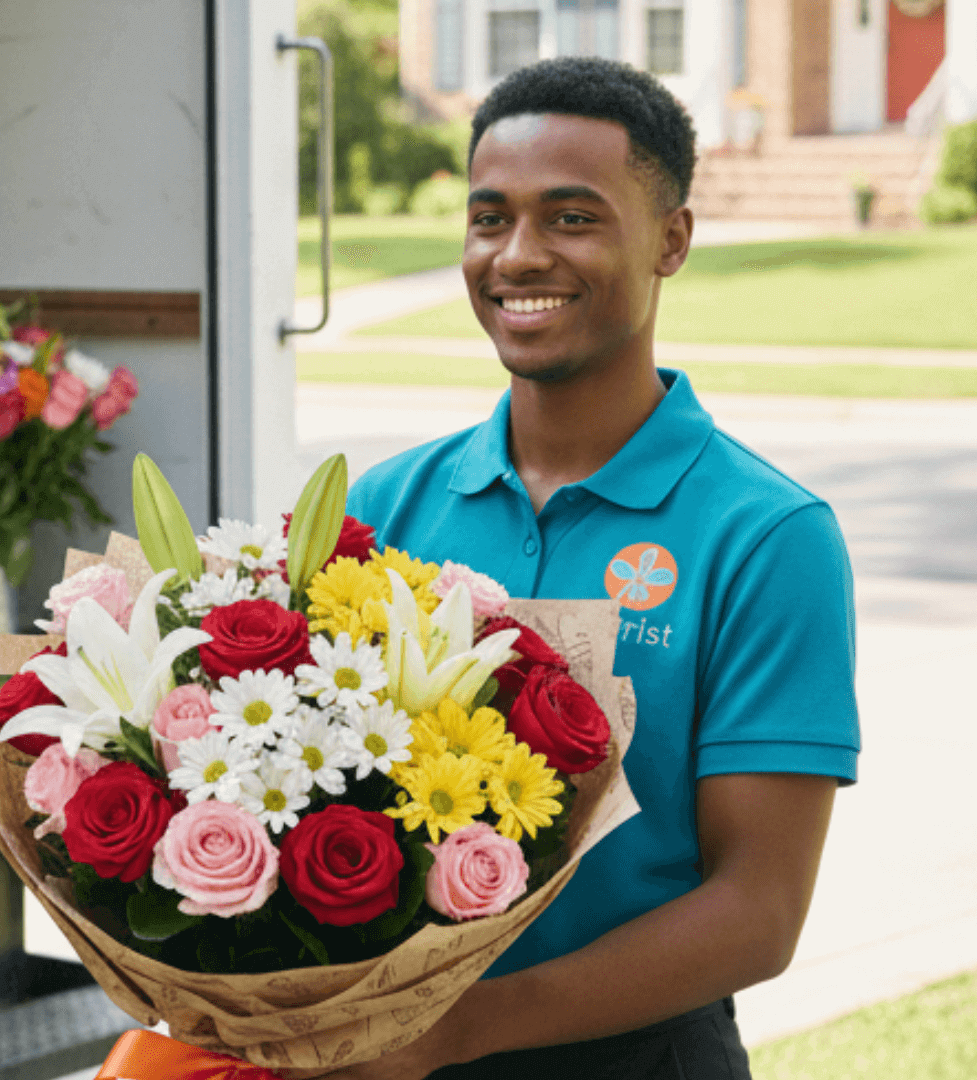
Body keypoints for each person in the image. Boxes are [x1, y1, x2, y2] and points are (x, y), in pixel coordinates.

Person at [306, 58, 860, 1080]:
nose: (517, 256)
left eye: (571, 218)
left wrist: (458, 1030)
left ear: (672, 241)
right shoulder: (385, 506)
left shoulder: (766, 534)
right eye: (489, 218)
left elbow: (758, 911)